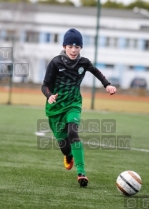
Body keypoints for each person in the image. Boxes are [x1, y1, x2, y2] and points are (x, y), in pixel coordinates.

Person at [41, 28, 117, 187]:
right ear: (64, 46)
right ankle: (68, 155)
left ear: (81, 47)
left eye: (77, 47)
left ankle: (81, 173)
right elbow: (45, 85)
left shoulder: (84, 62)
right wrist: (49, 96)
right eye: (70, 46)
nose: (74, 50)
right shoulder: (55, 62)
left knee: (73, 132)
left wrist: (107, 85)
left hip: (74, 104)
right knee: (64, 145)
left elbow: (97, 72)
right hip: (56, 108)